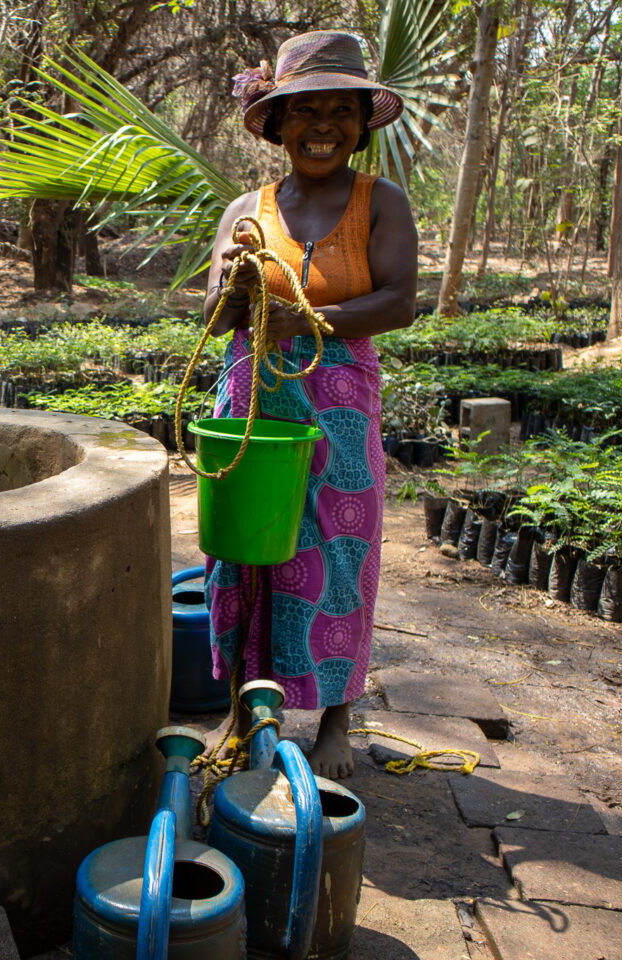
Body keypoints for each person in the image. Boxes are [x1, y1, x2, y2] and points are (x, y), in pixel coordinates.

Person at [202, 31, 418, 779]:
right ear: (276, 124)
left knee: (338, 548)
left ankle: (335, 718)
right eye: (304, 112)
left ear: (362, 125)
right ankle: (241, 705)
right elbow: (216, 315)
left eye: (338, 112)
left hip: (340, 401)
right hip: (253, 395)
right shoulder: (245, 209)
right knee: (243, 547)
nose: (321, 126)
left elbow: (400, 300)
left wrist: (314, 321)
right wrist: (235, 283)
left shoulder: (378, 202)